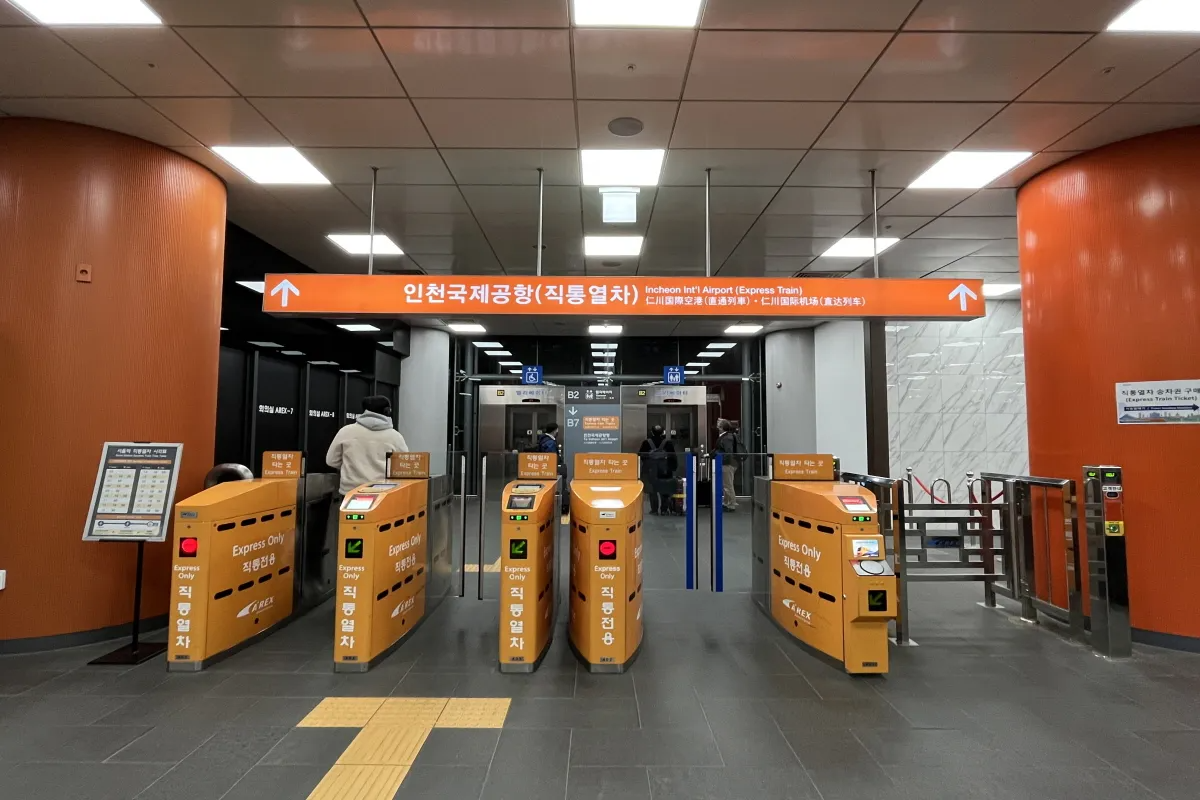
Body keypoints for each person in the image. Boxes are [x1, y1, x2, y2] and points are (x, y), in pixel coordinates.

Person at [326, 395, 409, 496]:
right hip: (383, 493)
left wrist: (350, 466)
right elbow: (404, 466)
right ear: (387, 411)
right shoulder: (395, 436)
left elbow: (331, 461)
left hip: (350, 492)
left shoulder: (345, 431)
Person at [639, 425, 678, 515]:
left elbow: (641, 455)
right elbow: (673, 456)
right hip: (665, 470)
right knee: (664, 488)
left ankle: (654, 509)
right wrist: (673, 468)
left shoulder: (646, 442)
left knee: (652, 490)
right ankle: (664, 509)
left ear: (652, 432)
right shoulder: (667, 443)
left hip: (651, 470)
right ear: (662, 432)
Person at [715, 419, 743, 512]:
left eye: (719, 424)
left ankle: (731, 504)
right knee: (726, 484)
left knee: (728, 484)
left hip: (728, 463)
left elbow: (727, 452)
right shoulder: (726, 436)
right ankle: (726, 502)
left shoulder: (726, 438)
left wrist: (722, 460)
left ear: (722, 427)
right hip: (729, 463)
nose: (717, 425)